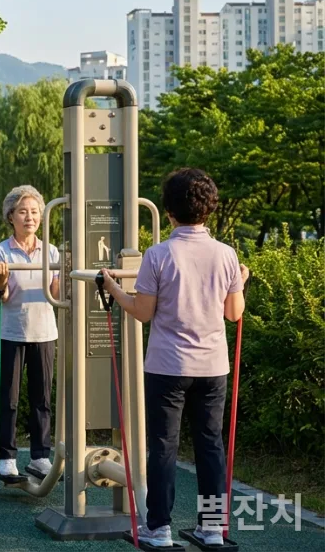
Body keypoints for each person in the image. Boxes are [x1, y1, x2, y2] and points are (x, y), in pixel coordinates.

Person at [99, 168, 247, 549]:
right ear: (209, 209)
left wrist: (112, 286)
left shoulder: (158, 254)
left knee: (163, 445)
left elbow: (142, 311)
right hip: (212, 366)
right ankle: (212, 528)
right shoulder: (227, 255)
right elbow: (234, 312)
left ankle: (159, 528)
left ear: (168, 211)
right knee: (210, 445)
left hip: (168, 365)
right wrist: (240, 281)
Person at [0, 185, 61, 481]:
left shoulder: (51, 251)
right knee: (9, 398)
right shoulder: (0, 251)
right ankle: (6, 457)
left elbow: (55, 293)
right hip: (10, 332)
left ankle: (41, 456)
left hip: (44, 332)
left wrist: (64, 273)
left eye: (34, 212)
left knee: (42, 397)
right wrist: (2, 280)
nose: (29, 217)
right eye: (22, 212)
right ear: (11, 216)